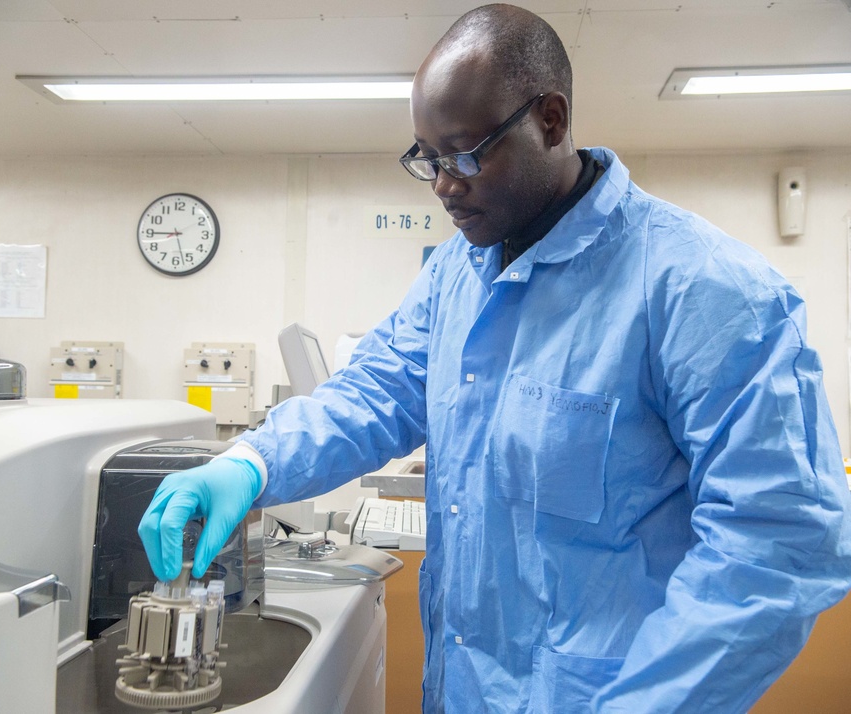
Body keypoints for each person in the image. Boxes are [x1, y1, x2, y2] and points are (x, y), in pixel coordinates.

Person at [138, 4, 851, 712]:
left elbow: (776, 545)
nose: (446, 184)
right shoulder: (458, 273)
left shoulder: (704, 289)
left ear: (551, 120)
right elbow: (379, 390)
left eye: (467, 153)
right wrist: (253, 462)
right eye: (428, 158)